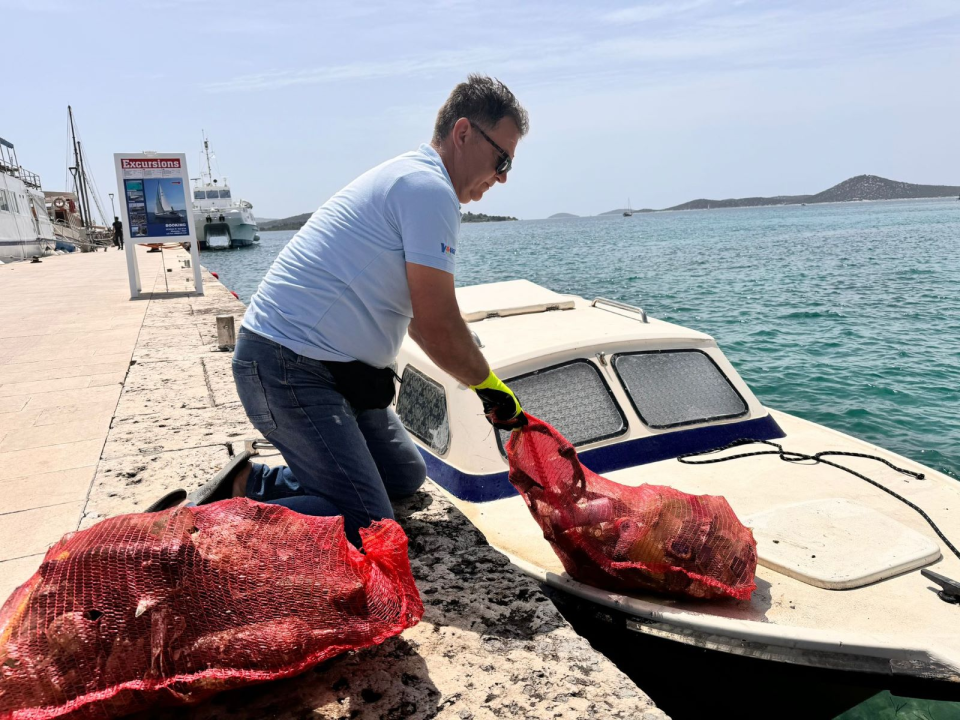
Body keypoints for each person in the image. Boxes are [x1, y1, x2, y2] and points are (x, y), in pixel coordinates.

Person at [224, 75, 530, 547]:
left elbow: (425, 321)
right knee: (367, 522)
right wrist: (490, 388)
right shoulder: (428, 190)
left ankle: (253, 483)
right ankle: (206, 525)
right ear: (464, 133)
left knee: (405, 475)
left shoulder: (418, 180)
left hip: (330, 371)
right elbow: (436, 326)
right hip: (287, 367)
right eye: (501, 158)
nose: (504, 175)